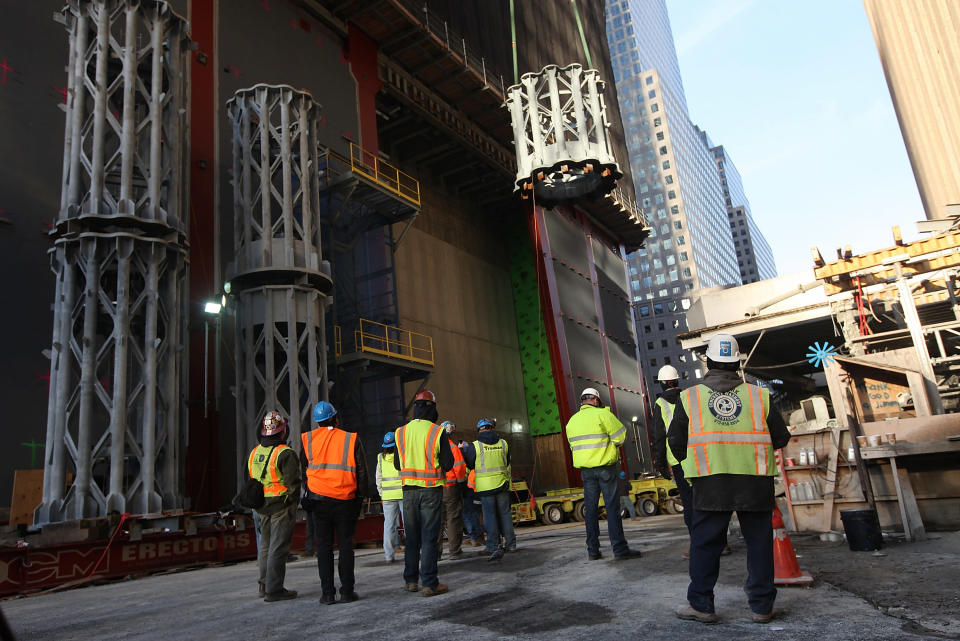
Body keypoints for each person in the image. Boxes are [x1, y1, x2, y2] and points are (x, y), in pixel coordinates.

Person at [668, 333, 790, 624]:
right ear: (737, 362)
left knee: (705, 544)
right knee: (759, 543)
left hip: (710, 480)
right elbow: (781, 438)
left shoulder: (690, 398)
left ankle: (701, 605)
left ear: (708, 361)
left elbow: (675, 444)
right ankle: (762, 607)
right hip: (754, 480)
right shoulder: (760, 396)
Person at [300, 401, 369, 605]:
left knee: (324, 547)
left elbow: (304, 468)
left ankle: (327, 594)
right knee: (346, 546)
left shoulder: (308, 440)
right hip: (345, 500)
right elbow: (362, 472)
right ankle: (347, 592)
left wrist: (311, 489)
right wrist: (361, 497)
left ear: (317, 421)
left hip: (319, 501)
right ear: (335, 417)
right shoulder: (350, 439)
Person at [564, 388, 641, 561]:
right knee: (612, 508)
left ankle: (593, 551)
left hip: (586, 471)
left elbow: (573, 447)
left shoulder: (572, 421)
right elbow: (620, 438)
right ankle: (619, 550)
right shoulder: (603, 415)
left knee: (590, 510)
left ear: (582, 401)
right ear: (596, 400)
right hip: (605, 468)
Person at [394, 390, 453, 597]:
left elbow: (396, 463)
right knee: (429, 538)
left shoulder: (400, 432)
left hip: (408, 492)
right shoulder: (437, 432)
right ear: (432, 408)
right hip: (430, 491)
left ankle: (411, 581)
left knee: (411, 538)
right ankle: (429, 583)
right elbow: (448, 463)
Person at [248, 410, 301, 602]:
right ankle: (274, 589)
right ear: (283, 432)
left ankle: (263, 584)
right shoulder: (285, 454)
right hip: (280, 506)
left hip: (261, 507)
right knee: (278, 547)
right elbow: (293, 484)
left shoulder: (255, 452)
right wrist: (293, 502)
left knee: (265, 546)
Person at [462, 418, 516, 562]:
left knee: (490, 516)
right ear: (492, 428)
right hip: (503, 484)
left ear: (479, 430)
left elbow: (469, 465)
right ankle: (511, 544)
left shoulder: (475, 446)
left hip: (485, 488)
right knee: (505, 514)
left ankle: (492, 546)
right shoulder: (504, 443)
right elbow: (507, 462)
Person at [437, 421, 467, 559]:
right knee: (453, 519)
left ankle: (436, 553)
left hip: (436, 489)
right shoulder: (453, 447)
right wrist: (461, 484)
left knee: (437, 521)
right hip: (450, 488)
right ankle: (454, 551)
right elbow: (460, 468)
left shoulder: (434, 447)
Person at [376, 431, 403, 564]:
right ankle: (412, 553)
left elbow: (378, 478)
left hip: (387, 496)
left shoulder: (380, 458)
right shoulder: (402, 456)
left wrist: (382, 493)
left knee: (389, 526)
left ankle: (388, 556)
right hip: (403, 494)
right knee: (409, 524)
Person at [460, 446, 485, 547]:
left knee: (467, 513)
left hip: (466, 491)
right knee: (472, 513)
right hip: (473, 492)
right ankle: (478, 537)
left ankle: (475, 538)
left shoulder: (465, 466)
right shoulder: (472, 465)